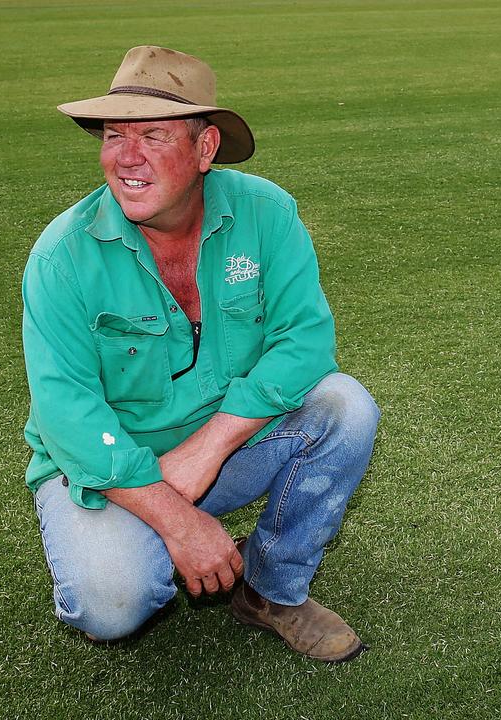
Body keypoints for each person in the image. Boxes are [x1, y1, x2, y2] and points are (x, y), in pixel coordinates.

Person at [21, 46, 381, 662]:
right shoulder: (62, 255)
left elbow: (306, 342)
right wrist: (173, 516)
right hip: (106, 470)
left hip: (222, 446)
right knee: (110, 606)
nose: (126, 157)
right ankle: (153, 549)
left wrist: (209, 448)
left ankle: (272, 590)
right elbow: (67, 415)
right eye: (114, 135)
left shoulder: (266, 213)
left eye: (154, 135)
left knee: (344, 406)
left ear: (206, 148)